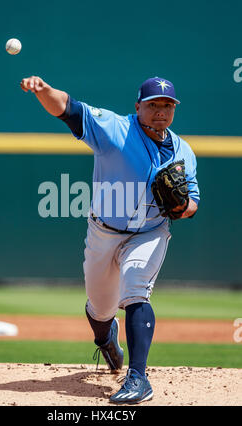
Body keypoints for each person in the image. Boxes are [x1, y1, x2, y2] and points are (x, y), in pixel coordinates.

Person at [20, 75, 200, 404]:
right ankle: (106, 339)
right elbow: (69, 110)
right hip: (104, 232)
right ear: (138, 107)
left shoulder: (183, 151)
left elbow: (193, 204)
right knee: (99, 310)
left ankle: (138, 377)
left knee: (135, 288)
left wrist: (181, 206)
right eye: (154, 105)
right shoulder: (115, 128)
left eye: (167, 106)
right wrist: (44, 91)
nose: (161, 111)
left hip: (149, 233)